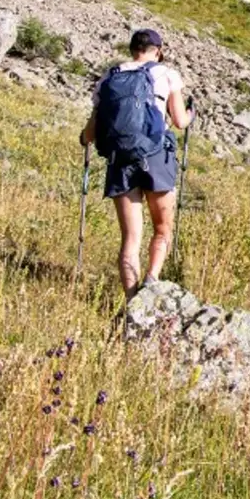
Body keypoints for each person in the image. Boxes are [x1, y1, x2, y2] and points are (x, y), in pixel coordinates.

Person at [80, 28, 192, 297]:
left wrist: (84, 139)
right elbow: (178, 121)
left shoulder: (112, 75)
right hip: (156, 158)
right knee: (162, 229)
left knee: (130, 239)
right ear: (158, 50)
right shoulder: (167, 74)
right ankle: (152, 279)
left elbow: (91, 131)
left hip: (121, 161)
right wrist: (191, 113)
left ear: (132, 48)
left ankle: (131, 300)